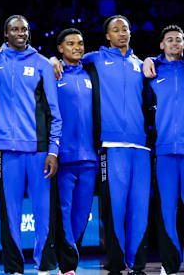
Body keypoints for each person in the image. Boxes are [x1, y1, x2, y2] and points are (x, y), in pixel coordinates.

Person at [50, 15, 149, 275]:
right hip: (108, 145)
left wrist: (153, 59)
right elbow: (64, 59)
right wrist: (51, 60)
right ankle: (84, 264)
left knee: (134, 208)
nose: (122, 33)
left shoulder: (141, 64)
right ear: (107, 36)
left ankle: (136, 264)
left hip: (136, 146)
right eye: (116, 29)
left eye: (125, 28)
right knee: (108, 209)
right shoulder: (95, 60)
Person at [0, 15, 61, 275]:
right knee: (10, 212)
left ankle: (45, 265)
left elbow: (54, 111)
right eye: (15, 29)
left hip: (39, 150)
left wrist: (53, 150)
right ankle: (14, 268)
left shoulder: (41, 63)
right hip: (7, 150)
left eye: (24, 29)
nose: (20, 33)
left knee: (43, 211)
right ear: (5, 34)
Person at [52, 28, 100, 275]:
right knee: (63, 213)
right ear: (60, 48)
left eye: (80, 43)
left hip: (89, 159)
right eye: (70, 43)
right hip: (63, 158)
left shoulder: (92, 72)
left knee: (82, 215)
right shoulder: (52, 73)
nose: (77, 47)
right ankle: (67, 265)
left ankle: (69, 258)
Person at [145, 25, 184, 275]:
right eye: (169, 40)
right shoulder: (151, 72)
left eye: (179, 40)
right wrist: (149, 59)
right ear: (161, 45)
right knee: (167, 209)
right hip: (165, 152)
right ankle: (170, 265)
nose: (174, 43)